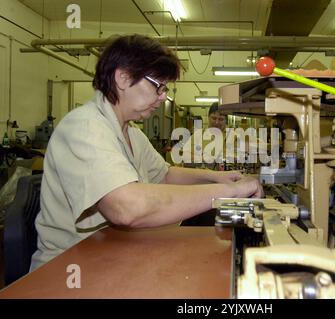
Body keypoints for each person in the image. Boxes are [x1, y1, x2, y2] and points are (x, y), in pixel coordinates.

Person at [30, 34, 263, 271]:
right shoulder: (84, 127)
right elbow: (126, 208)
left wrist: (217, 177)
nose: (163, 97)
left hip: (113, 253)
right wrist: (228, 192)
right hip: (71, 267)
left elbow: (165, 175)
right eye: (158, 86)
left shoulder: (131, 132)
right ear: (122, 77)